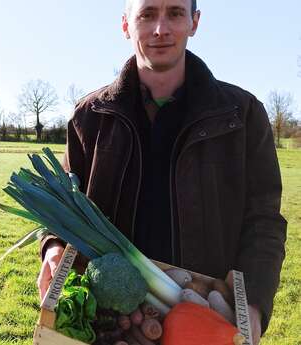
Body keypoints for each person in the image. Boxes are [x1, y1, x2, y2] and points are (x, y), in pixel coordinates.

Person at [38, 0, 287, 343]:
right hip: (113, 325)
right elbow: (61, 203)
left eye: (174, 13)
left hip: (205, 321)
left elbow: (264, 223)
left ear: (194, 22)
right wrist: (53, 246)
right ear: (126, 24)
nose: (160, 29)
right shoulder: (89, 117)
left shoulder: (243, 116)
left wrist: (254, 304)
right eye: (147, 14)